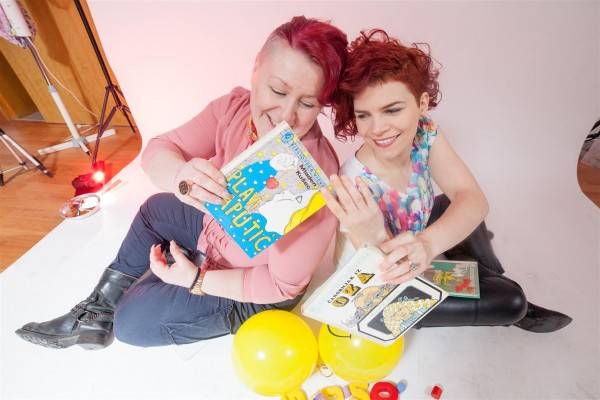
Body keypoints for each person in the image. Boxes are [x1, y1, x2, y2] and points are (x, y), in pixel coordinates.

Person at [15, 16, 348, 349]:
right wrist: (179, 176)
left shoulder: (313, 176)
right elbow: (159, 149)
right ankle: (94, 314)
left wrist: (198, 280)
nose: (286, 116)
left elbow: (281, 286)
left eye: (308, 104)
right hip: (217, 235)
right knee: (157, 209)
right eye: (278, 90)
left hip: (254, 289)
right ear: (256, 69)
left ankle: (159, 294)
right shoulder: (234, 108)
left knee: (131, 323)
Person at [323, 29, 571, 332]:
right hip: (381, 295)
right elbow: (383, 274)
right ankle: (497, 291)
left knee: (460, 207)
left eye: (392, 110)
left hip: (416, 241)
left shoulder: (424, 132)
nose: (377, 129)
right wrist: (375, 236)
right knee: (512, 301)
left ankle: (488, 275)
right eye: (364, 115)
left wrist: (428, 244)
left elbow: (472, 197)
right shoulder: (355, 184)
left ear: (422, 104)